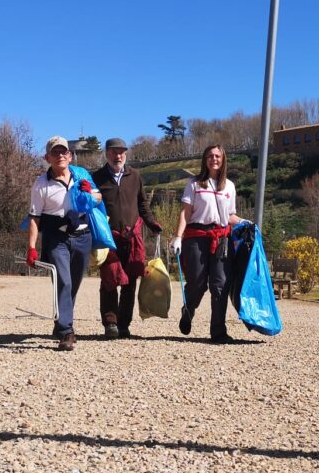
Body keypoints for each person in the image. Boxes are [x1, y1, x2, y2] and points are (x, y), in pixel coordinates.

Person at [27, 136, 101, 350]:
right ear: (47, 157)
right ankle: (67, 331)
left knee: (74, 284)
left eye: (64, 152)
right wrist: (31, 247)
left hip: (82, 237)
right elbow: (34, 218)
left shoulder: (81, 175)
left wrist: (89, 192)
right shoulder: (41, 184)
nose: (60, 155)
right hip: (57, 239)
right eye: (55, 152)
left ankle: (61, 320)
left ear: (70, 155)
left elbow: (99, 198)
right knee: (64, 281)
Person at [169, 144, 246, 343]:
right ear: (205, 160)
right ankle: (188, 309)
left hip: (221, 238)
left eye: (217, 156)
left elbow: (230, 216)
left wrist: (245, 223)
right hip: (196, 236)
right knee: (197, 283)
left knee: (220, 285)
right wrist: (178, 236)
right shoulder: (194, 184)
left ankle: (218, 332)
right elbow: (186, 212)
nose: (214, 159)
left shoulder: (229, 186)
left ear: (223, 159)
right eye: (210, 156)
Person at [91, 137, 162, 339]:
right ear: (106, 153)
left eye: (121, 152)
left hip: (132, 238)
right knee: (109, 280)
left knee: (130, 283)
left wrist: (152, 223)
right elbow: (91, 207)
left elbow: (143, 205)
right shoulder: (97, 178)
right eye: (114, 152)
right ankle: (110, 323)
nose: (118, 156)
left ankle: (124, 325)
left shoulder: (135, 176)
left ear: (125, 154)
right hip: (108, 239)